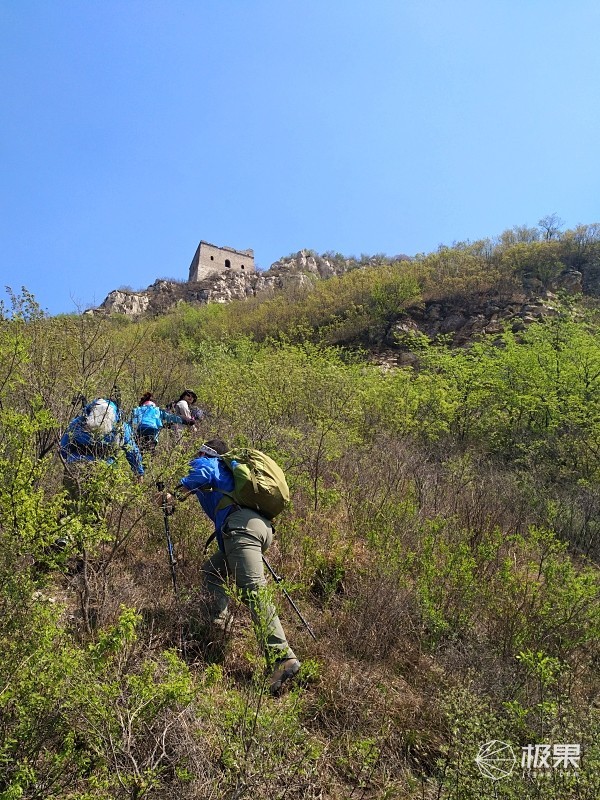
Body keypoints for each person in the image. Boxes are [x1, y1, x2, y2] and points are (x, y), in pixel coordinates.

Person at [166, 438, 300, 695]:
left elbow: (202, 471)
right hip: (258, 528)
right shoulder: (234, 474)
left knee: (253, 591)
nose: (194, 457)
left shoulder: (209, 462)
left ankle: (283, 658)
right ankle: (218, 621)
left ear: (207, 452)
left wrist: (175, 492)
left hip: (241, 529)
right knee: (211, 571)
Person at [131, 391, 192, 459]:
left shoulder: (137, 409)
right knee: (149, 454)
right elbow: (171, 417)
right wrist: (185, 420)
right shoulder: (157, 410)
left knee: (138, 453)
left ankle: (138, 466)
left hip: (139, 431)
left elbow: (131, 421)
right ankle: (146, 466)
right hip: (152, 432)